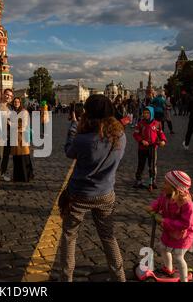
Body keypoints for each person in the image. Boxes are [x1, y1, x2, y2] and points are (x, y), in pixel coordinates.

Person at [60, 94, 126, 282]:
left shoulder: (83, 138)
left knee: (69, 236)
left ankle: (66, 278)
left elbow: (68, 151)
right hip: (105, 193)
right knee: (108, 237)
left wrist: (73, 126)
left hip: (79, 194)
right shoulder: (120, 136)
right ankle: (119, 277)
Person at [145, 170, 193, 282]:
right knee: (163, 248)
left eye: (165, 183)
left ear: (175, 187)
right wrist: (153, 207)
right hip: (169, 230)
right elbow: (159, 202)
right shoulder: (166, 195)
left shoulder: (187, 204)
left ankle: (184, 280)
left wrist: (164, 220)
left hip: (184, 234)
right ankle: (168, 269)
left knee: (179, 256)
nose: (163, 185)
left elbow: (185, 223)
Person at [133, 106, 167, 189]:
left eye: (147, 113)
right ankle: (138, 180)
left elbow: (161, 133)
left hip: (153, 147)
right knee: (141, 164)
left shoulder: (157, 123)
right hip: (142, 148)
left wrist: (163, 140)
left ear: (151, 113)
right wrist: (141, 141)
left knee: (152, 165)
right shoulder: (140, 123)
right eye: (144, 113)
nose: (145, 114)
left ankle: (152, 180)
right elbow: (136, 134)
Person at [0, 89, 14, 184]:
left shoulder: (11, 108)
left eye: (10, 96)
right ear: (3, 95)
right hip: (0, 135)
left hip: (9, 136)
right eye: (7, 94)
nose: (8, 97)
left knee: (6, 156)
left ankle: (3, 173)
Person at [10, 97, 33, 182]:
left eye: (17, 102)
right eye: (15, 102)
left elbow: (24, 124)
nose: (16, 103)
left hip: (22, 136)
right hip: (15, 137)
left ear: (20, 103)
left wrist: (11, 124)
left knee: (24, 157)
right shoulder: (13, 112)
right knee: (16, 158)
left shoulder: (24, 112)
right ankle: (17, 177)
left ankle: (26, 176)